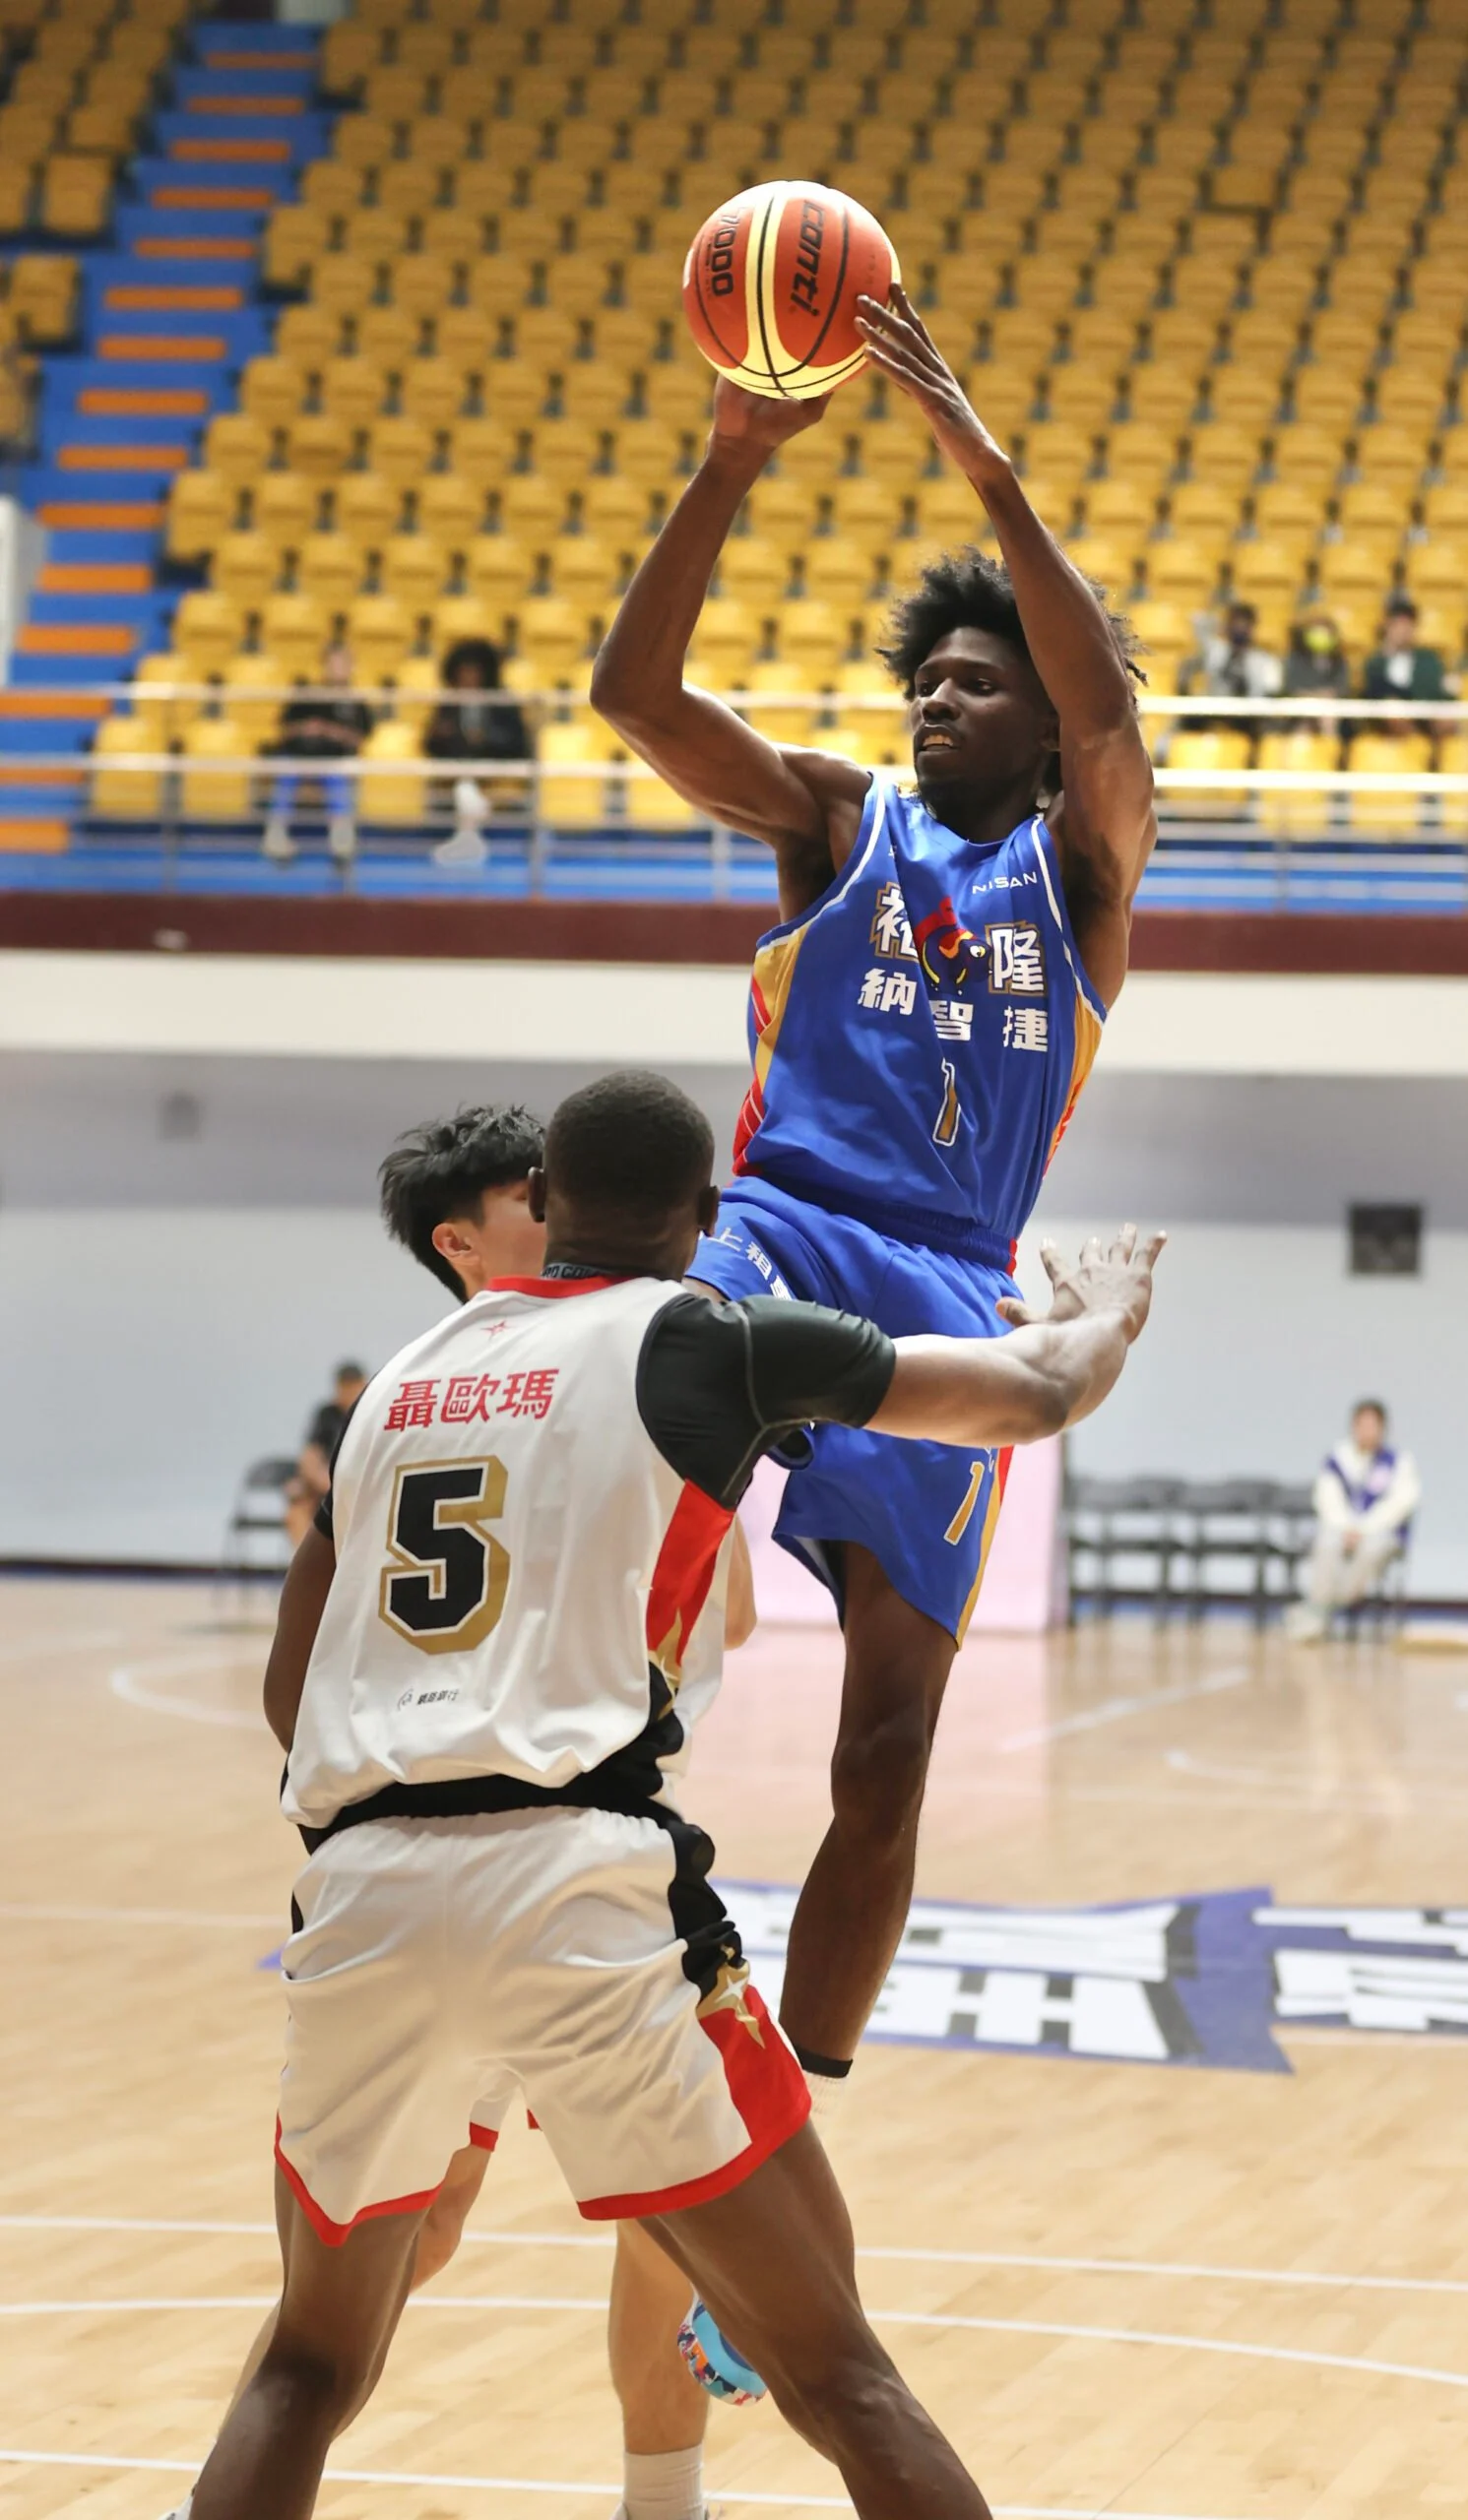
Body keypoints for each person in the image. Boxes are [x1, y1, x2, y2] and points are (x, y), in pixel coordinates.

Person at [178, 1067, 1162, 2520]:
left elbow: (291, 1691)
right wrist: (1103, 1317)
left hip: (360, 1891)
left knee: (304, 2370)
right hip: (575, 1888)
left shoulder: (391, 1386)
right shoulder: (702, 1339)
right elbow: (1028, 1398)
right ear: (707, 1216)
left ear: (545, 1202)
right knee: (840, 2375)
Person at [589, 287, 1158, 2357]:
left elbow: (1116, 725)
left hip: (946, 1284)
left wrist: (982, 472)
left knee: (891, 1752)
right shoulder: (840, 823)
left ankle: (779, 2140)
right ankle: (539, 1853)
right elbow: (633, 694)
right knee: (615, 1495)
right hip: (769, 1232)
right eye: (919, 678)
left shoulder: (1083, 874)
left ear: (1036, 722)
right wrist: (729, 462)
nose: (934, 699)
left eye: (971, 680)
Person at [163, 1098, 736, 2520]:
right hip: (527, 1861)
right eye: (527, 1195)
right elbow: (297, 1680)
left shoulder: (616, 1356)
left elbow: (719, 1608)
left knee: (662, 2228)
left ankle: (660, 2496)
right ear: (461, 1243)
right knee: (419, 2241)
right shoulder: (439, 1399)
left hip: (562, 1845)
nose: (558, 1204)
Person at [1285, 1399, 1420, 1642]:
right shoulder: (1338, 1460)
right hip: (1342, 1530)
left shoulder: (1398, 1462)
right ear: (1353, 1426)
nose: (1367, 1431)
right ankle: (1316, 1616)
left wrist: (1363, 1529)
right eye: (1362, 1425)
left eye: (1373, 1425)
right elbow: (1327, 1499)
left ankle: (1314, 1611)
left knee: (1372, 1547)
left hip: (1380, 1533)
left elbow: (1400, 1504)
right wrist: (1347, 1528)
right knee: (1326, 1541)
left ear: (1383, 1428)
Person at [263, 638, 373, 866]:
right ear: (324, 665)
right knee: (285, 773)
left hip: (335, 761)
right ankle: (276, 838)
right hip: (299, 758)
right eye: (333, 663)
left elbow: (360, 739)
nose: (337, 668)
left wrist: (330, 732)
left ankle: (341, 844)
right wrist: (306, 728)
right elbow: (284, 729)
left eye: (343, 663)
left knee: (339, 779)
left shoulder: (357, 703)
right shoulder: (307, 695)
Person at [424, 635, 532, 868]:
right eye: (463, 671)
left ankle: (468, 840)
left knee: (468, 791)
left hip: (496, 771)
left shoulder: (503, 702)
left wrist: (486, 740)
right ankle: (467, 840)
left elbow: (520, 744)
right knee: (465, 789)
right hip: (458, 774)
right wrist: (443, 737)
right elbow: (430, 745)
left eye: (473, 671)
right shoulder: (449, 704)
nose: (468, 677)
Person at [285, 1360, 368, 1551]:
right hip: (327, 1484)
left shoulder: (370, 1413)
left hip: (358, 1483)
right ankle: (307, 1560)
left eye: (353, 1386)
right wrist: (319, 1481)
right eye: (344, 1386)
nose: (348, 1392)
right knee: (297, 1508)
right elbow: (310, 1455)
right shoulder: (327, 1414)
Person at [1361, 594, 1452, 732]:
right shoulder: (1375, 662)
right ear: (1387, 627)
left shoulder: (1429, 659)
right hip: (1388, 720)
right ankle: (1417, 742)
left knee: (1447, 718)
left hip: (1425, 715)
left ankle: (1428, 744)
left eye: (1408, 625)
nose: (1403, 631)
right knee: (1393, 710)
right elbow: (1373, 693)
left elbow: (1434, 690)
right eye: (1397, 625)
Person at [1185, 598, 1285, 709]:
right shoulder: (1215, 651)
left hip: (1251, 713)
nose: (1240, 628)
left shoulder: (1265, 661)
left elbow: (1272, 691)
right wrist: (1216, 607)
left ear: (1252, 627)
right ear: (1227, 625)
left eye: (1245, 623)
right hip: (1217, 709)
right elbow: (1198, 622)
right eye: (1235, 622)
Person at [1282, 610, 1351, 705]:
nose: (1320, 636)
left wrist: (1326, 695)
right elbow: (1291, 687)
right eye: (1316, 631)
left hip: (1331, 707)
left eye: (1324, 632)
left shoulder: (1339, 661)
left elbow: (1342, 688)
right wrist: (1310, 696)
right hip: (1301, 707)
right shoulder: (1295, 659)